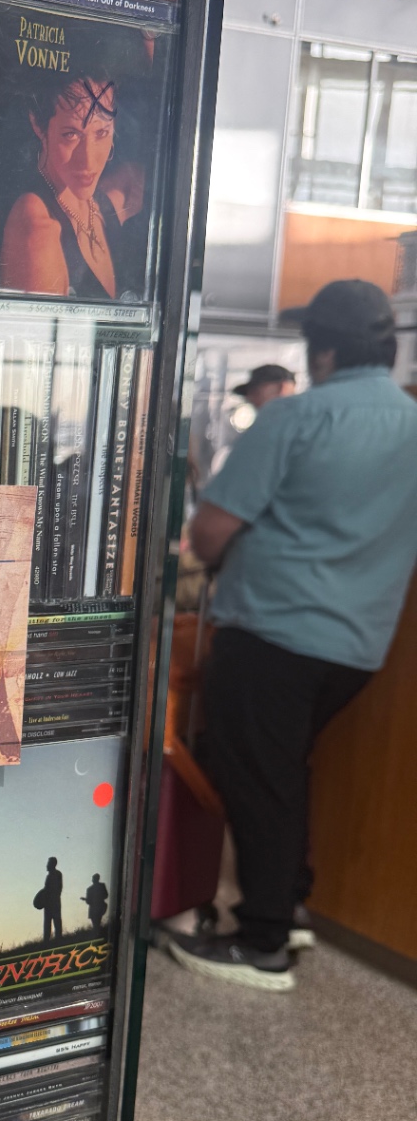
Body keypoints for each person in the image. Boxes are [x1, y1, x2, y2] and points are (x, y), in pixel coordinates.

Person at [170, 280, 417, 991]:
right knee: (282, 771)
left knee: (255, 776)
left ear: (323, 347)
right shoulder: (410, 422)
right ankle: (293, 905)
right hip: (358, 648)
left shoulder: (293, 420)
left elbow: (210, 532)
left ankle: (263, 939)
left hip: (273, 634)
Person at [0, 73, 142, 299]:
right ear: (38, 125)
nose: (88, 160)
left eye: (101, 133)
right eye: (71, 135)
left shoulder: (100, 206)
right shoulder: (37, 225)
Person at [35, 857, 63, 941]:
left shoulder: (57, 874)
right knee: (47, 922)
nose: (47, 865)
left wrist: (52, 898)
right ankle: (46, 940)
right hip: (48, 902)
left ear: (52, 864)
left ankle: (58, 938)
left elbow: (58, 888)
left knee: (56, 920)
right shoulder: (49, 876)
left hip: (53, 902)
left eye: (48, 863)